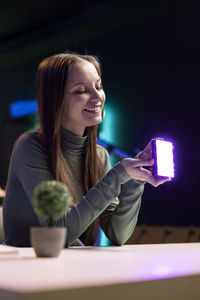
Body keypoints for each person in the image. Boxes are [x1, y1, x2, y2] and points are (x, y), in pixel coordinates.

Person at [3, 52, 170, 247]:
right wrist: (117, 175)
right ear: (56, 100)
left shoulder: (99, 155)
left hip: (70, 266)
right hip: (27, 268)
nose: (97, 96)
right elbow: (59, 233)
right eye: (81, 90)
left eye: (98, 86)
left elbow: (118, 233)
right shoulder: (30, 147)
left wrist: (134, 180)